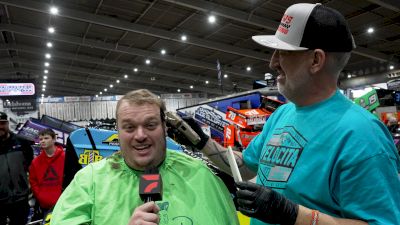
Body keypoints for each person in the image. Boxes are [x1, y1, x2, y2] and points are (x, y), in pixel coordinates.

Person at [175, 3, 400, 225]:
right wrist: (201, 141)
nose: (273, 62)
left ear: (316, 60)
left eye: (283, 52)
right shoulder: (282, 114)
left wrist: (293, 214)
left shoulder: (363, 136)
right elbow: (244, 167)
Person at [50, 89, 239, 225]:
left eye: (150, 125)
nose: (140, 135)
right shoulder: (89, 183)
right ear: (118, 130)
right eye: (129, 127)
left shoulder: (202, 176)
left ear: (165, 127)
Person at [0, 111, 34, 225]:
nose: (0, 126)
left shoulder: (22, 142)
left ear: (7, 124)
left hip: (20, 199)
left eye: (2, 123)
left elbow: (30, 166)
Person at [29, 128, 65, 216]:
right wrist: (40, 196)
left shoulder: (65, 158)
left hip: (64, 203)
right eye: (41, 139)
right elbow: (33, 181)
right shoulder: (36, 162)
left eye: (46, 138)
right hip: (45, 206)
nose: (43, 141)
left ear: (54, 139)